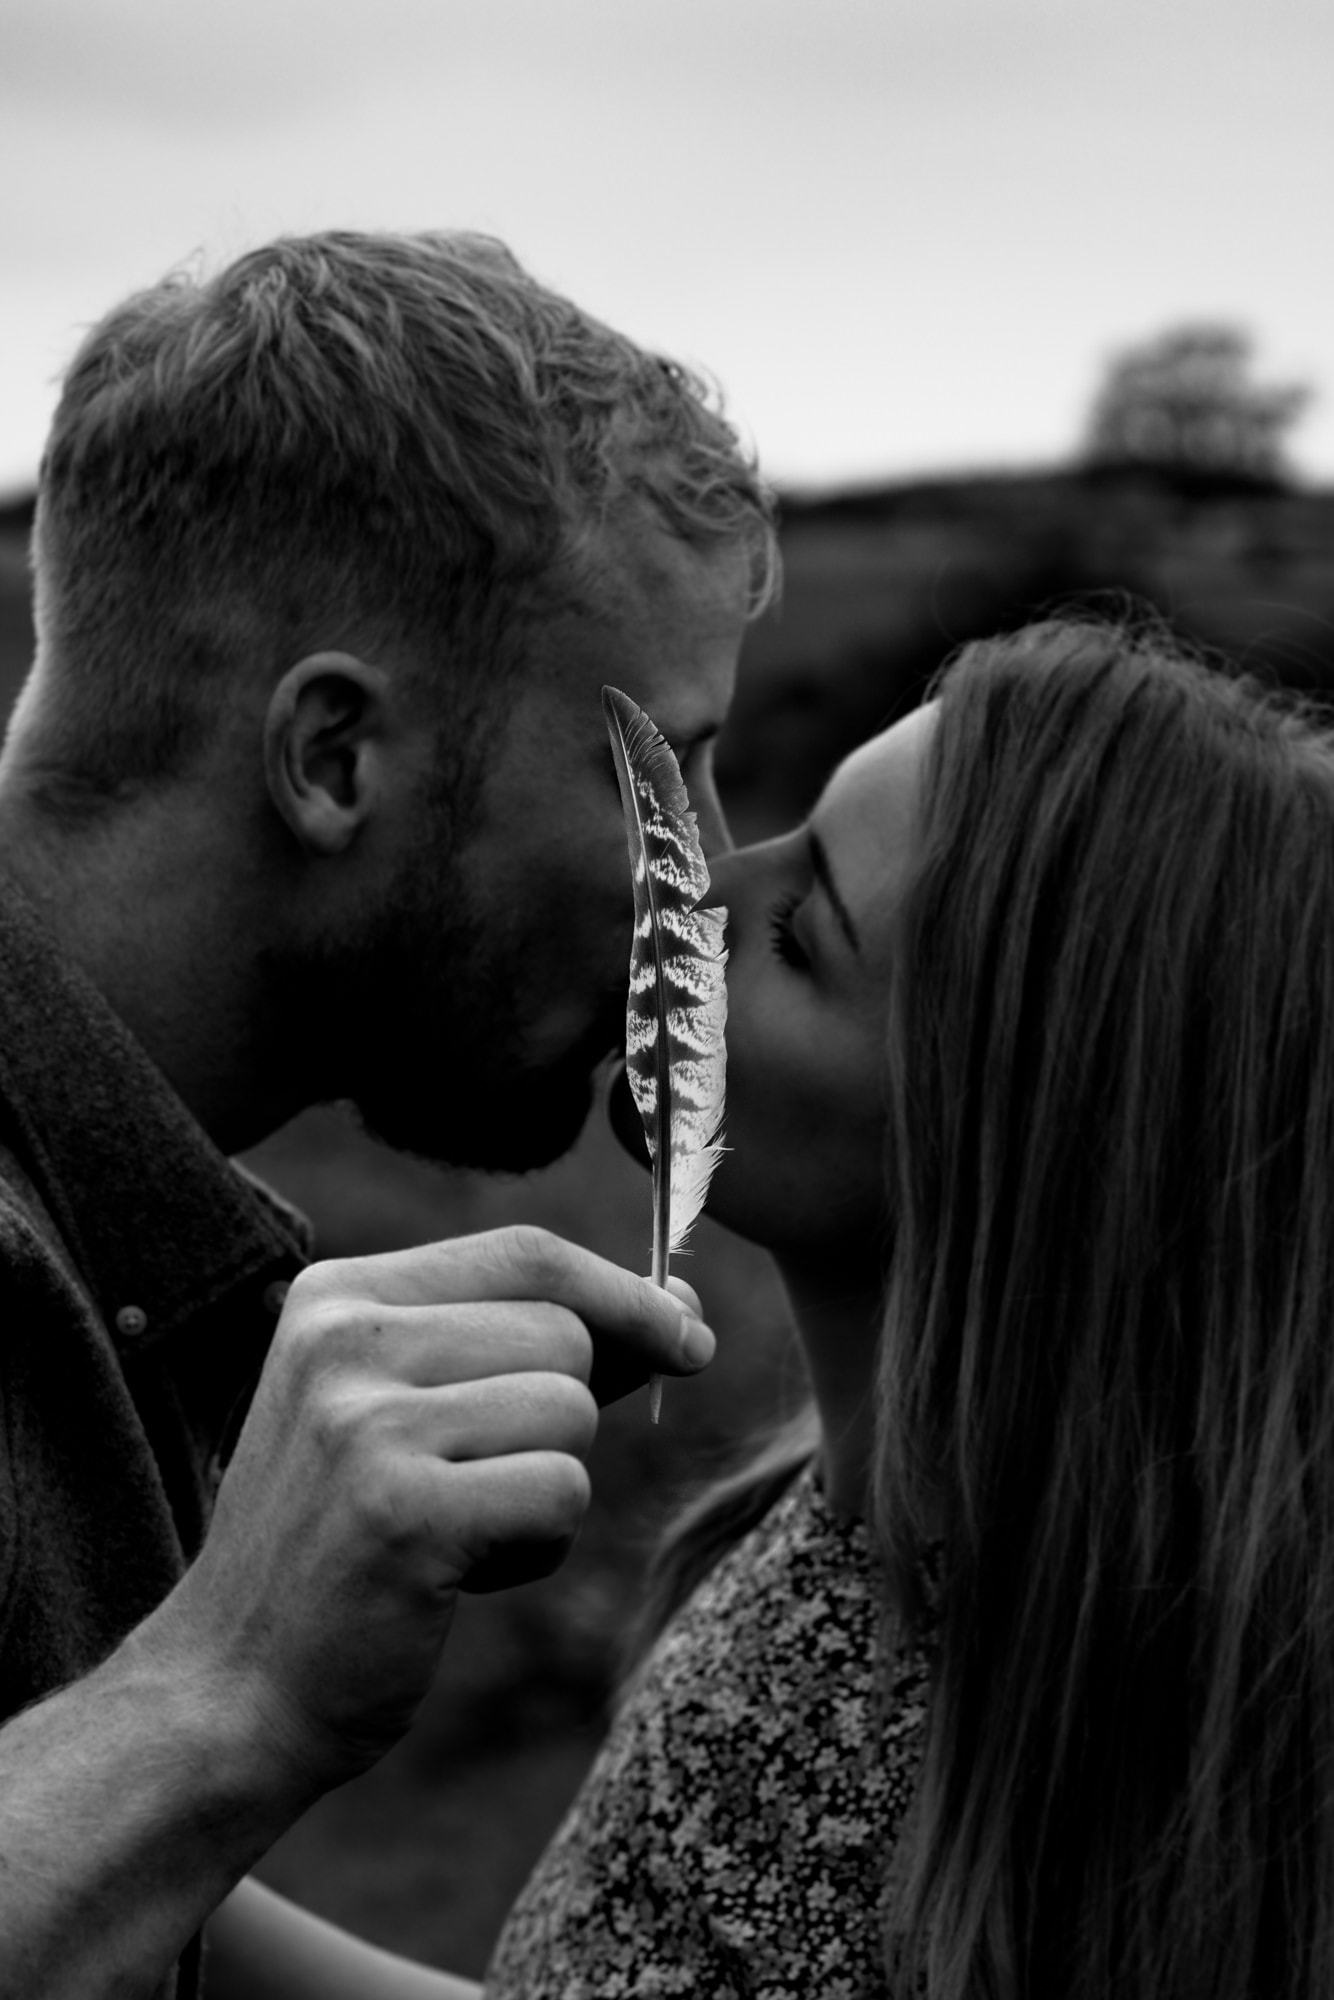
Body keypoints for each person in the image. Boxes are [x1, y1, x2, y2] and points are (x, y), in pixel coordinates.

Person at [0, 228, 777, 1997]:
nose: (707, 886)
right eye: (659, 769)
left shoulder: (101, 1227)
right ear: (336, 758)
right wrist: (229, 1693)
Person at [486, 616, 1334, 2000]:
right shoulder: (836, 1529)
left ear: (1008, 1157)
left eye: (800, 932)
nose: (696, 887)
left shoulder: (1001, 1790)